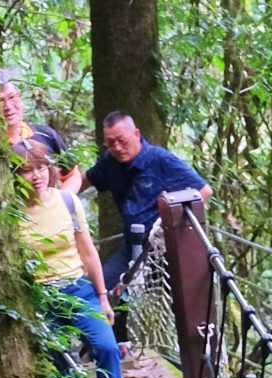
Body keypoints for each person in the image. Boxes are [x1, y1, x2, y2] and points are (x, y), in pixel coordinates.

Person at [15, 141, 130, 378]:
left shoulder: (67, 201)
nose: (37, 175)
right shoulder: (12, 215)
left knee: (106, 347)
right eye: (28, 171)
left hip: (78, 289)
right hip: (41, 297)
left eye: (41, 168)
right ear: (16, 175)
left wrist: (103, 296)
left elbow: (88, 252)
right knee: (61, 364)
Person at [82, 113, 209, 297]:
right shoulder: (111, 160)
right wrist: (59, 193)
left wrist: (169, 226)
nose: (117, 147)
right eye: (110, 143)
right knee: (97, 291)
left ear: (137, 134)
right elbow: (87, 179)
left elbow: (204, 191)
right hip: (132, 247)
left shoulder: (160, 159)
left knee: (176, 302)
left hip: (166, 249)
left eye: (122, 141)